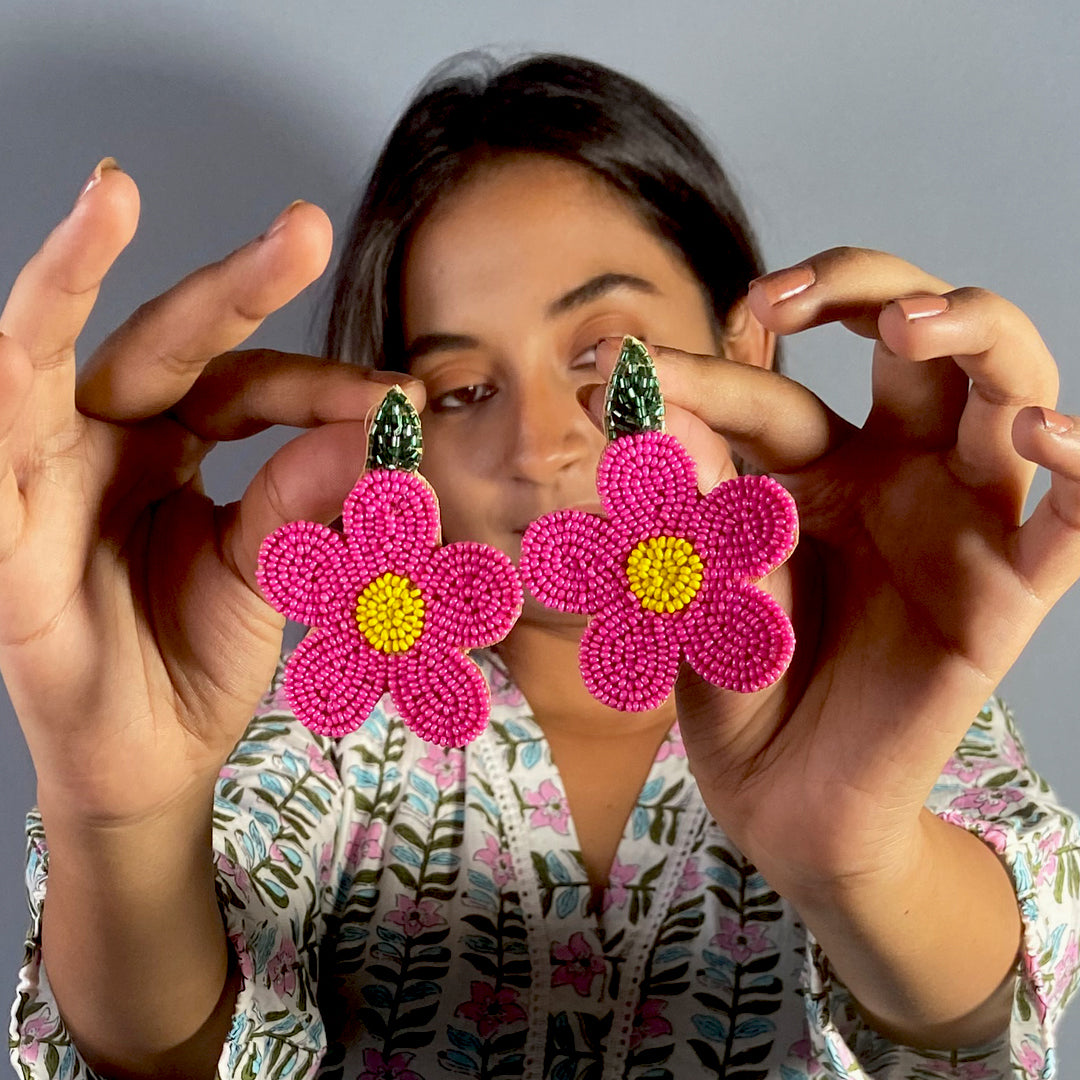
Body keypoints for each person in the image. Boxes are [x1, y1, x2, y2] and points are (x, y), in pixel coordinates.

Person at [5, 51, 1080, 1080]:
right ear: (398, 434)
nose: (541, 446)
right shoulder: (324, 730)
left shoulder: (872, 687)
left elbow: (976, 1036)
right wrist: (123, 819)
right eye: (465, 390)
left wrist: (857, 853)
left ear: (737, 350)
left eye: (607, 361)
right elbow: (172, 1050)